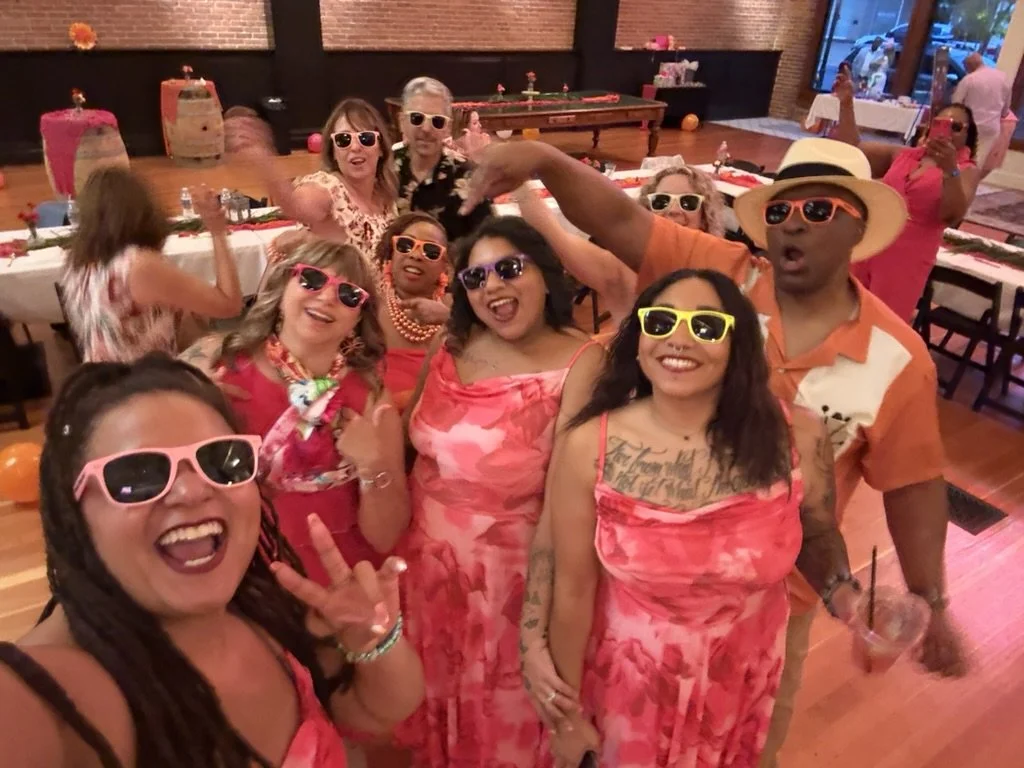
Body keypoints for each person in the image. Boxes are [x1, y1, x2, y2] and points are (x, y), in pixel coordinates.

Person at [460, 136, 968, 768]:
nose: (792, 225)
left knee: (742, 748)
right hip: (639, 594)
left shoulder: (896, 361)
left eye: (817, 211)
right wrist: (540, 160)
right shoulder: (719, 278)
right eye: (779, 211)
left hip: (770, 604)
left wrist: (926, 601)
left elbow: (912, 484)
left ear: (857, 229)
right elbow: (615, 219)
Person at [0, 354, 423, 767]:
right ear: (72, 511)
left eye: (223, 461)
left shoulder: (265, 611)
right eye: (137, 475)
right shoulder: (41, 697)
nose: (193, 491)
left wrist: (374, 642)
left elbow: (374, 712)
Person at [546, 269, 859, 766]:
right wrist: (565, 720)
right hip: (628, 693)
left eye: (707, 327)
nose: (679, 339)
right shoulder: (590, 445)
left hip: (739, 684)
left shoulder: (797, 434)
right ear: (640, 336)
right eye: (662, 320)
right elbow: (572, 592)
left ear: (737, 343)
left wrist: (849, 598)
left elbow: (817, 527)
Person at [397, 216, 604, 766]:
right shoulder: (451, 344)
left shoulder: (582, 361)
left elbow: (566, 514)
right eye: (474, 278)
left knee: (498, 743)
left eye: (509, 269)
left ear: (546, 274)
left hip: (505, 596)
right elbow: (405, 445)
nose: (492, 287)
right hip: (422, 580)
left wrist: (534, 635)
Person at [180, 239, 408, 583]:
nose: (328, 297)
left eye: (348, 295)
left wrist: (372, 464)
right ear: (281, 288)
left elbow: (386, 536)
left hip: (341, 575)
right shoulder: (217, 365)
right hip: (241, 567)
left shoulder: (373, 400)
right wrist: (188, 406)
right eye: (312, 280)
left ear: (358, 319)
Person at [835, 75, 981, 322]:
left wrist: (949, 170)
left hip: (907, 258)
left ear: (968, 136)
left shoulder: (966, 170)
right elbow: (852, 148)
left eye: (957, 127)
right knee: (843, 312)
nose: (948, 130)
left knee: (882, 324)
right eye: (941, 123)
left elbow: (951, 215)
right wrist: (846, 103)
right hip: (871, 240)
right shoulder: (905, 155)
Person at [61, 167, 243, 362]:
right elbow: (229, 305)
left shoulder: (79, 263)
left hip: (102, 380)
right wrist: (217, 230)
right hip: (141, 384)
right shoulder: (139, 265)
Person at [516, 165, 728, 328]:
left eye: (688, 202)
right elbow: (552, 233)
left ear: (705, 216)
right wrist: (516, 180)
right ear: (646, 213)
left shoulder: (728, 269)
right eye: (661, 201)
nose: (673, 211)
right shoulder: (623, 273)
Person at [228, 98, 398, 259]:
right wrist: (262, 159)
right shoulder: (329, 189)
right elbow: (294, 205)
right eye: (343, 139)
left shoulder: (386, 196)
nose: (354, 147)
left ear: (381, 148)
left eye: (365, 138)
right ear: (334, 152)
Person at [394, 77, 493, 241]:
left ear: (447, 128)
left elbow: (484, 244)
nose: (426, 129)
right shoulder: (382, 172)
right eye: (417, 118)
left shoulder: (470, 177)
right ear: (402, 122)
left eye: (437, 121)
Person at [373, 212, 452, 412]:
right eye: (405, 245)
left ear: (446, 266)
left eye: (431, 251)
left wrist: (449, 320)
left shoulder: (463, 311)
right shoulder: (367, 311)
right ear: (392, 254)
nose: (415, 255)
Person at [953, 52, 1012, 166]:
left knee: (961, 159)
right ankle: (970, 182)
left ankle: (956, 181)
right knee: (977, 161)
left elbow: (956, 105)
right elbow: (1005, 111)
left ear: (968, 66)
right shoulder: (1003, 78)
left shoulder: (969, 79)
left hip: (970, 126)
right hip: (991, 127)